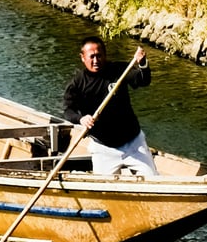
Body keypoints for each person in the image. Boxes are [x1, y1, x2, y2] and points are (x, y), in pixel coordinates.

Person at [62, 36, 156, 180]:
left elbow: (143, 80)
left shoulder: (119, 70)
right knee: (103, 189)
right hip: (103, 147)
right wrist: (81, 119)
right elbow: (68, 111)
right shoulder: (77, 83)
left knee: (153, 181)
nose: (96, 60)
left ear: (105, 55)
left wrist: (143, 63)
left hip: (133, 143)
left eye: (99, 56)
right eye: (91, 56)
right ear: (83, 58)